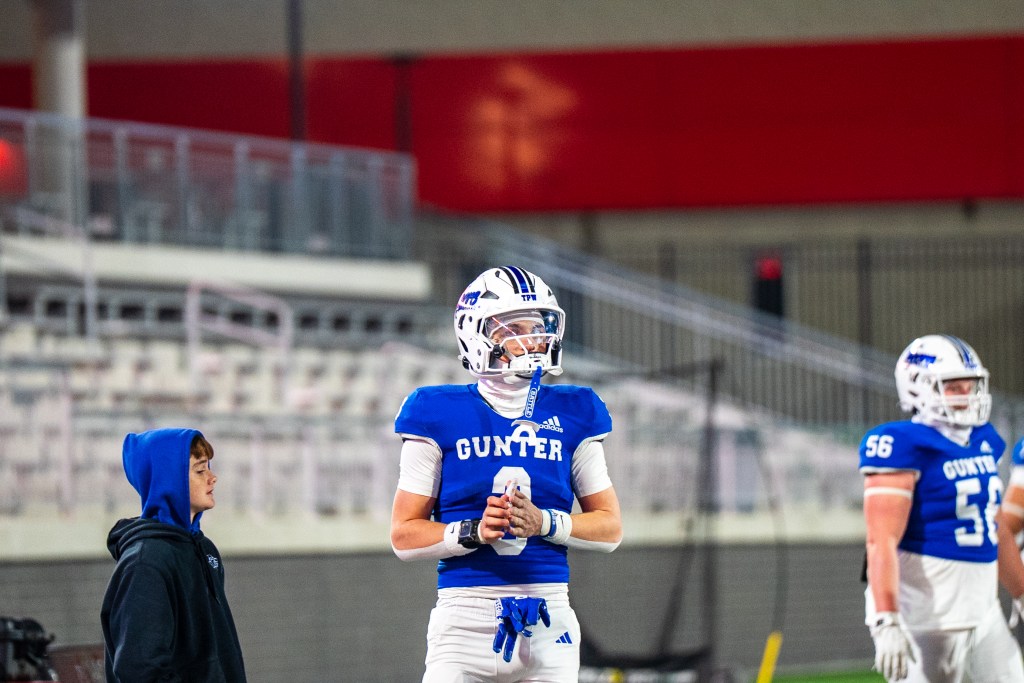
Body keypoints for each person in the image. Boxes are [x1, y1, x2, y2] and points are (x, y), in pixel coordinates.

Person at [390, 265, 623, 682]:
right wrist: (473, 531)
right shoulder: (434, 410)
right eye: (515, 326)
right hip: (464, 619)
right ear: (478, 334)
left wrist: (544, 522)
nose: (532, 338)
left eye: (537, 326)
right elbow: (403, 536)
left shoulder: (576, 409)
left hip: (549, 617)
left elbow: (610, 529)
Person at [860, 334, 1024, 682]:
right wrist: (885, 618)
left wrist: (1021, 591)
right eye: (954, 387)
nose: (967, 395)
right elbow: (880, 542)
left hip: (984, 612)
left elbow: (994, 525)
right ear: (918, 388)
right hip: (926, 618)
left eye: (971, 385)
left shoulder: (983, 440)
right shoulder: (901, 444)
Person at [100, 428, 247, 682]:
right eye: (200, 470)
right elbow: (140, 669)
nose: (212, 478)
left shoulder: (203, 549)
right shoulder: (145, 562)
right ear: (170, 479)